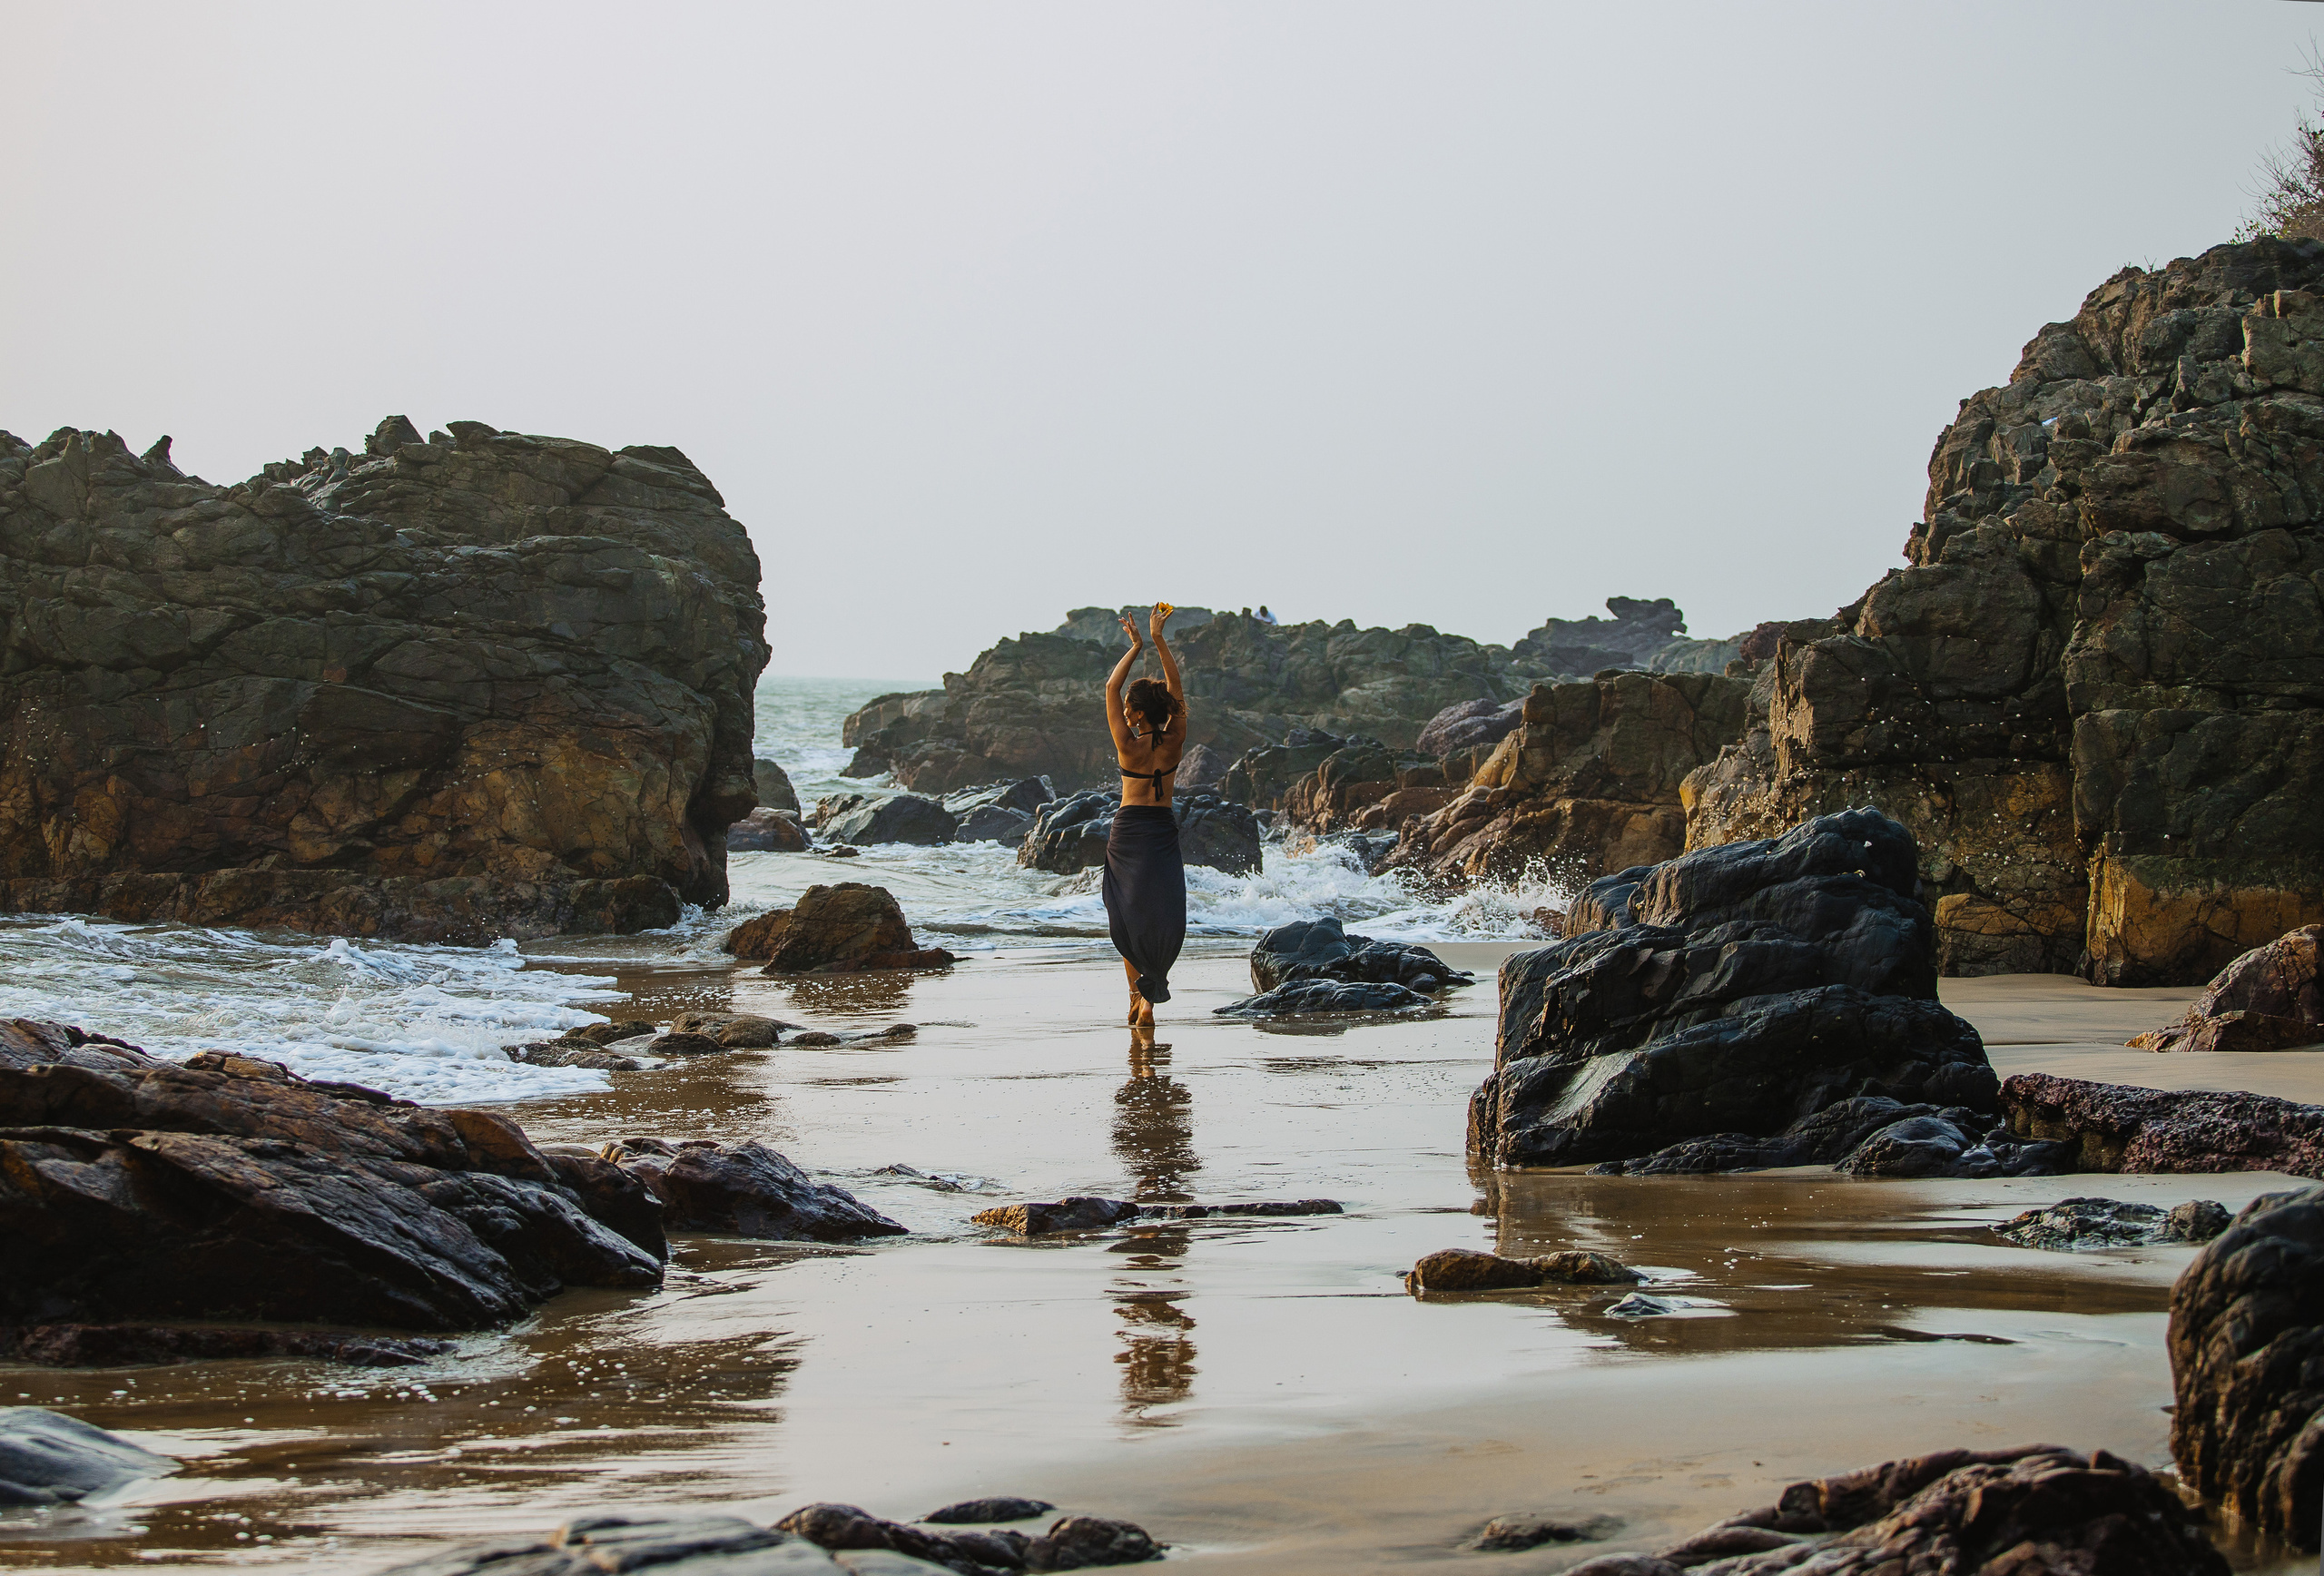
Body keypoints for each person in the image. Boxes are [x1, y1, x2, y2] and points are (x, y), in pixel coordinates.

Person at [1103, 605, 1187, 1028]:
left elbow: (1110, 690)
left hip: (1129, 833)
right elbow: (1176, 690)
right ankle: (1150, 993)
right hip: (1162, 832)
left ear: (1137, 712)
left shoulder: (1126, 745)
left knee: (1127, 914)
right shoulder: (1174, 739)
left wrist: (1135, 646)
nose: (1129, 715)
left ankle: (1137, 993)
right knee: (1161, 912)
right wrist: (1157, 639)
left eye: (1133, 711)